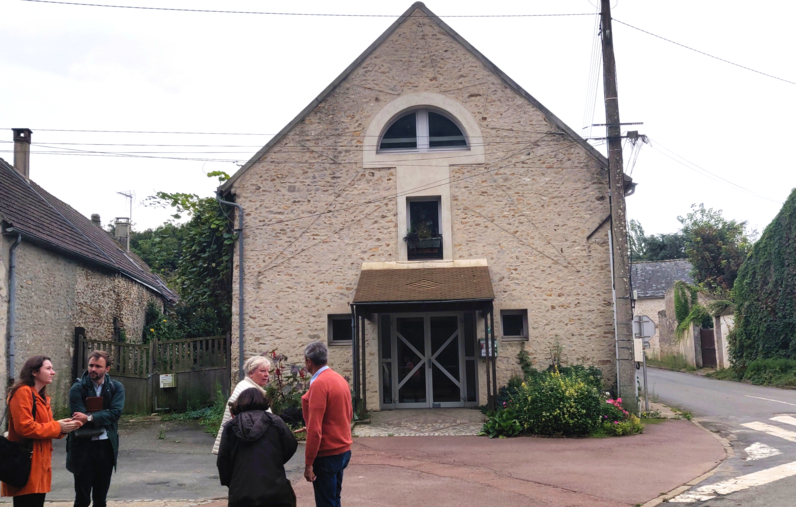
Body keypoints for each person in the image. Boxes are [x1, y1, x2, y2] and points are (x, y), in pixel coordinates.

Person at [1, 356, 83, 507]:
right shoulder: (22, 392)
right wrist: (57, 427)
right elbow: (25, 428)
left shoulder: (41, 397)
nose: (53, 372)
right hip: (26, 463)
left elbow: (45, 427)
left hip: (40, 465)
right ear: (34, 372)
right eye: (48, 368)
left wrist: (64, 426)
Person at [216, 388, 298, 507]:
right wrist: (274, 461)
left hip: (241, 489)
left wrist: (230, 481)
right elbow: (291, 445)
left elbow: (223, 459)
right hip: (274, 486)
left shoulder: (230, 427)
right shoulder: (275, 422)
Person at [67, 350, 125, 507]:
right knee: (82, 498)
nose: (93, 369)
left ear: (107, 369)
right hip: (83, 446)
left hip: (106, 446)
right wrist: (102, 415)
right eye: (91, 365)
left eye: (98, 366)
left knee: (100, 498)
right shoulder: (77, 388)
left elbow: (115, 413)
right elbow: (78, 417)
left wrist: (89, 417)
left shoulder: (115, 388)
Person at [299, 341, 353, 507]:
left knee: (326, 503)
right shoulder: (339, 379)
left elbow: (315, 430)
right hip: (343, 449)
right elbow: (347, 414)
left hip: (327, 453)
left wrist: (309, 463)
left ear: (309, 361)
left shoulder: (319, 384)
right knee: (335, 499)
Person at [212, 355, 272, 455]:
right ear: (251, 373)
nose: (267, 375)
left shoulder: (247, 386)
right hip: (244, 447)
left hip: (237, 444)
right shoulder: (248, 391)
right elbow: (251, 425)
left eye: (268, 371)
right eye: (262, 371)